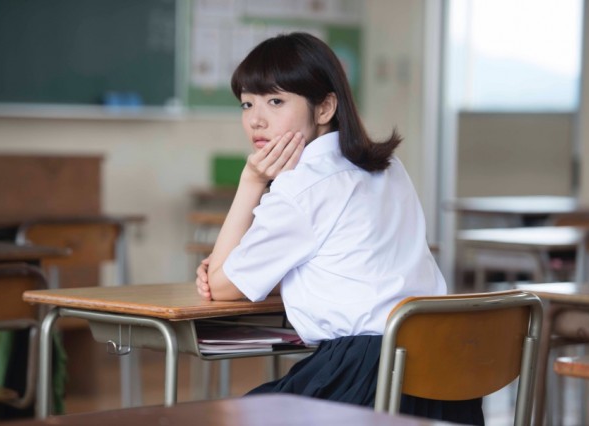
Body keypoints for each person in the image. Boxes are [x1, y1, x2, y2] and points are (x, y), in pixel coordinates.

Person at [195, 32, 484, 425]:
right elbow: (350, 264)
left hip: (366, 375)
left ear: (324, 107)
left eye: (276, 101)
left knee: (224, 417)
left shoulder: (303, 185)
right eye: (248, 103)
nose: (256, 120)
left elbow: (223, 288)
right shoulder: (388, 168)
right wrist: (237, 271)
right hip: (443, 370)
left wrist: (250, 182)